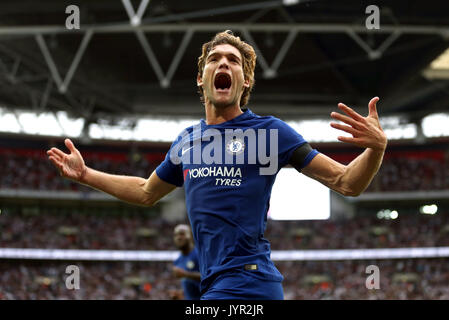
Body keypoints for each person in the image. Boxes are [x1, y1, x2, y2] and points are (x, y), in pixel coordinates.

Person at [47, 30, 387, 300]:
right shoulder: (186, 141)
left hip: (249, 282)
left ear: (246, 81)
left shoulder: (270, 133)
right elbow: (146, 191)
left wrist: (376, 148)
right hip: (214, 285)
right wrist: (86, 174)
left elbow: (346, 183)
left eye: (234, 61)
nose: (223, 64)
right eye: (215, 59)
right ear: (201, 78)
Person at [170, 224, 201, 300]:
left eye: (182, 234)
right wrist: (181, 294)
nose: (178, 237)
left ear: (190, 235)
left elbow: (210, 277)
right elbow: (190, 284)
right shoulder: (177, 261)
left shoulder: (200, 255)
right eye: (175, 235)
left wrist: (185, 274)